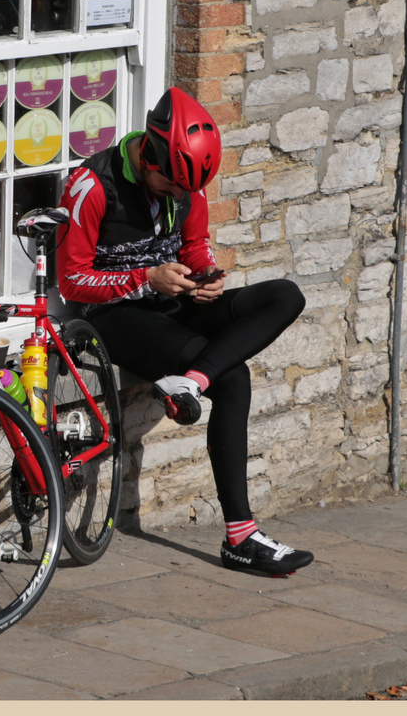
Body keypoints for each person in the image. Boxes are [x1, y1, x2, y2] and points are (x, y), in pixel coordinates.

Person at [56, 86, 314, 576]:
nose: (180, 195)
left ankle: (191, 382)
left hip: (174, 303)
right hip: (116, 318)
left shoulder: (186, 185)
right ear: (149, 155)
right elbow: (71, 281)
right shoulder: (91, 187)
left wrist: (205, 276)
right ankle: (241, 536)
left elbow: (194, 244)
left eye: (185, 190)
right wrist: (143, 279)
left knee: (286, 295)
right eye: (171, 186)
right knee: (234, 379)